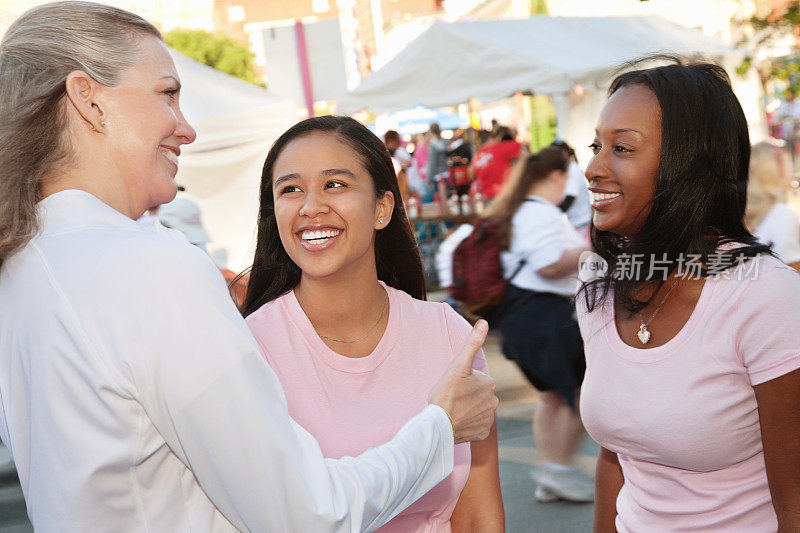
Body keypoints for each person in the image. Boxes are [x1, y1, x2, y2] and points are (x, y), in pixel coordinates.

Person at [0, 3, 498, 531]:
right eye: (167, 94)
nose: (186, 128)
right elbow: (304, 515)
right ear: (89, 100)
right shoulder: (150, 266)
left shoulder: (21, 271)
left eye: (335, 184)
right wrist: (440, 427)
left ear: (383, 205)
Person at [242, 115, 505, 532]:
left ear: (383, 207)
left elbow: (478, 516)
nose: (311, 207)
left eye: (335, 184)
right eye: (290, 189)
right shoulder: (248, 350)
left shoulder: (450, 336)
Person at [579, 56, 800, 532]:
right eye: (597, 145)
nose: (593, 167)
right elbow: (617, 456)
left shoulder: (765, 295)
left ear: (690, 166)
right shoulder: (600, 289)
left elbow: (796, 503)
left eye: (621, 148)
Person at [483, 147, 593, 503]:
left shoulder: (519, 210)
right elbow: (549, 264)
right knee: (579, 392)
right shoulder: (539, 214)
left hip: (526, 317)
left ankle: (553, 470)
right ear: (558, 176)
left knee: (553, 395)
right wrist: (593, 248)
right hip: (544, 317)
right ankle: (558, 470)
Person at [745, 141, 800, 270]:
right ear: (777, 170)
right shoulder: (782, 215)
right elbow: (792, 277)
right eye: (787, 162)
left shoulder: (751, 216)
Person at [551, 139, 592, 235]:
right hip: (578, 223)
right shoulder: (568, 170)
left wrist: (548, 213)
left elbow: (568, 200)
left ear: (564, 153)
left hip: (582, 224)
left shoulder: (572, 171)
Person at [471, 126, 523, 199]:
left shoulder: (477, 157)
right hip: (504, 194)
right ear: (490, 139)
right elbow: (521, 145)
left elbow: (471, 174)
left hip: (488, 197)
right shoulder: (497, 149)